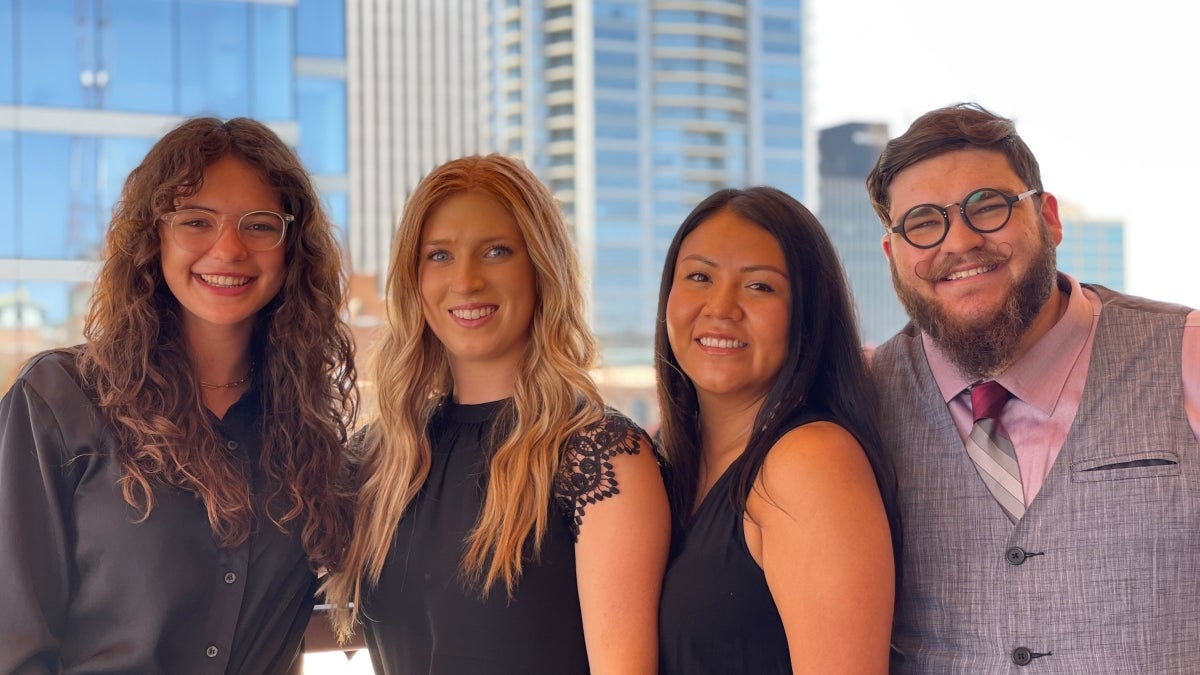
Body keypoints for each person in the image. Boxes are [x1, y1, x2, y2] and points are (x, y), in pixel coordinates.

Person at [0, 117, 358, 673]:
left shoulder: (308, 432)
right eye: (196, 221)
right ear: (154, 237)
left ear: (292, 248)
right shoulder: (58, 400)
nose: (229, 248)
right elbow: (12, 642)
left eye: (260, 225)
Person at [867, 102, 1200, 673]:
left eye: (988, 206)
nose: (961, 240)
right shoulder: (863, 394)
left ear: (1048, 217)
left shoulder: (1186, 353)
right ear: (894, 254)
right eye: (923, 222)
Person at [322, 154, 670, 674]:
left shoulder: (599, 454)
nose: (465, 280)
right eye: (439, 255)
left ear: (540, 268)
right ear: (414, 280)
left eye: (496, 251)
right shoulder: (380, 458)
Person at [655, 187, 897, 674]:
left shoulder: (810, 461)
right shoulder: (662, 456)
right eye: (699, 277)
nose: (721, 307)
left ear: (807, 316)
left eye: (760, 286)